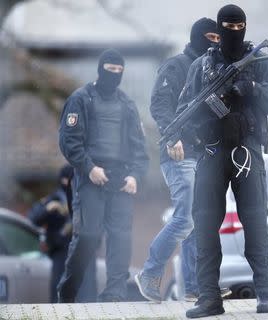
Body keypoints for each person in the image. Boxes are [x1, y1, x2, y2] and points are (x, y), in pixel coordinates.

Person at [174, 4, 268, 318]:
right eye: (227, 26)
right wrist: (205, 118)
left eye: (238, 26)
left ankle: (266, 295)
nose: (233, 31)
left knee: (254, 223)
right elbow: (185, 110)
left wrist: (251, 88)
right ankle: (210, 298)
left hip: (248, 152)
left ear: (246, 27)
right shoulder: (202, 66)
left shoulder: (260, 62)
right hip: (212, 152)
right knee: (205, 226)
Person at [134, 17, 223, 303]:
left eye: (219, 38)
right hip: (179, 152)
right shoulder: (176, 66)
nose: (216, 42)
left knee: (198, 221)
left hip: (203, 154)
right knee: (185, 218)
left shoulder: (214, 70)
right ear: (198, 36)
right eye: (211, 36)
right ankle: (149, 273)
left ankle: (196, 287)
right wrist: (173, 138)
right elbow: (160, 105)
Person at [57, 49, 149, 303]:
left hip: (121, 180)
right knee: (88, 236)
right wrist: (89, 168)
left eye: (120, 72)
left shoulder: (127, 105)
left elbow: (139, 148)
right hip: (91, 179)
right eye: (111, 71)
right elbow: (69, 141)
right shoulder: (81, 99)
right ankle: (68, 291)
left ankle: (114, 295)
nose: (115, 76)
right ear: (100, 70)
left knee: (120, 237)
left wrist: (135, 177)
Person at [28, 165, 97, 302]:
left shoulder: (88, 197)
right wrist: (48, 210)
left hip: (84, 252)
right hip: (61, 252)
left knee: (86, 294)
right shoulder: (54, 199)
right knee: (59, 294)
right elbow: (34, 218)